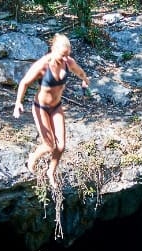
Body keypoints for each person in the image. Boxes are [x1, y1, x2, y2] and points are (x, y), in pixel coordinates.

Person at [13, 33, 90, 191]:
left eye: (67, 55)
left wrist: (84, 80)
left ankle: (51, 172)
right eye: (62, 55)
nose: (65, 58)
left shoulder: (68, 62)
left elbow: (80, 72)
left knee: (60, 146)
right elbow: (24, 82)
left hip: (56, 107)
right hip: (40, 107)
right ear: (53, 49)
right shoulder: (43, 65)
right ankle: (31, 159)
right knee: (49, 145)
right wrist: (18, 103)